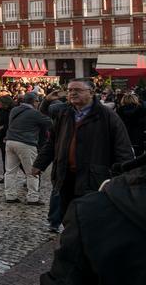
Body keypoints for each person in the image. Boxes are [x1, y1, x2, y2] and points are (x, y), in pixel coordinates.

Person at [32, 78, 133, 232]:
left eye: (77, 90)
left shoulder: (107, 116)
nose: (72, 93)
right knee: (68, 217)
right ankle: (71, 246)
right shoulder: (64, 113)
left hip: (93, 177)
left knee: (89, 219)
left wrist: (122, 178)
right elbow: (52, 142)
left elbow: (122, 149)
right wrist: (40, 163)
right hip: (65, 175)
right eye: (70, 90)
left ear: (91, 93)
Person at [40, 153, 146, 285]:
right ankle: (54, 221)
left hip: (95, 188)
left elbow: (122, 150)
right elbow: (54, 144)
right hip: (71, 182)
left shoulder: (95, 212)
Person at [4, 92, 51, 204]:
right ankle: (33, 198)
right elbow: (50, 123)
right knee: (32, 172)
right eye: (37, 101)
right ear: (34, 101)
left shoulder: (14, 110)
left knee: (10, 171)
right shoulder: (34, 113)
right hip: (26, 143)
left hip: (10, 141)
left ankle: (10, 196)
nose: (38, 103)